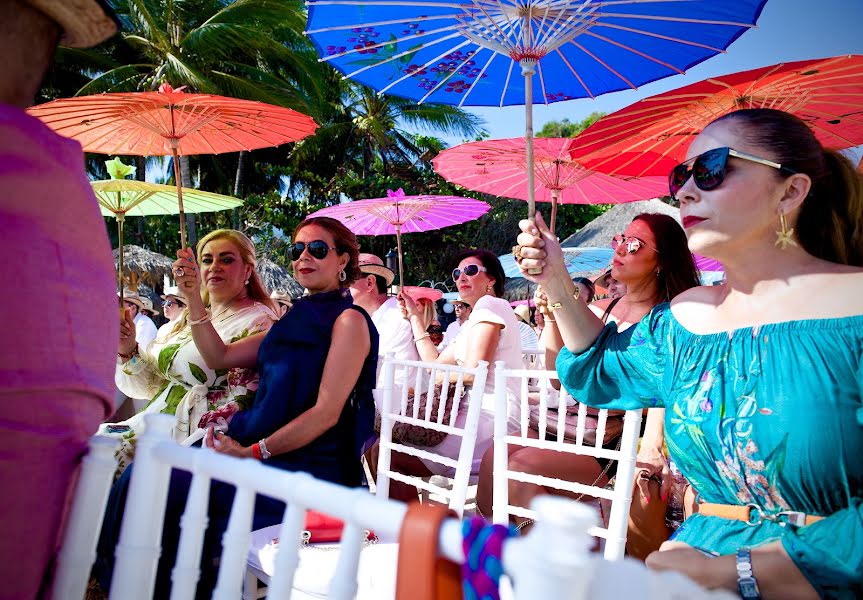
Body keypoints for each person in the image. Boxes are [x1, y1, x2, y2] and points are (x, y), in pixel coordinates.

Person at [516, 108, 863, 598]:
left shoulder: (853, 311)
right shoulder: (686, 319)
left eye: (713, 168)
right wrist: (553, 278)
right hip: (687, 573)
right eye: (682, 174)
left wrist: (741, 571)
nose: (684, 191)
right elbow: (601, 367)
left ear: (792, 190)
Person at [97, 216, 378, 597]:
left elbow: (327, 413)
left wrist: (253, 453)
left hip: (304, 464)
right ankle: (132, 587)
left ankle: (165, 589)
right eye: (297, 250)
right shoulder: (293, 317)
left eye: (317, 249)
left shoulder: (349, 322)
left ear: (343, 260)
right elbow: (218, 355)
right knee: (143, 474)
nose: (304, 257)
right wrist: (194, 295)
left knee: (158, 486)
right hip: (257, 444)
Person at [0, 2, 118, 597]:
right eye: (206, 258)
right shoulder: (54, 176)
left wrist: (254, 444)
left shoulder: (340, 320)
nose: (303, 256)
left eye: (318, 249)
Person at [476, 213, 700, 519]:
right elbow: (558, 379)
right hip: (562, 427)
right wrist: (554, 316)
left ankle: (532, 559)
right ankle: (494, 540)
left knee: (518, 469)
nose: (620, 249)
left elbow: (664, 386)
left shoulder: (669, 319)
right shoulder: (599, 309)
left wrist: (650, 445)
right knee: (494, 455)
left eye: (634, 245)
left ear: (662, 262)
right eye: (619, 239)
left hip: (605, 446)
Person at [107, 229, 278, 473]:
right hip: (153, 421)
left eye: (226, 260)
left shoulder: (260, 320)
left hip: (194, 439)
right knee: (89, 447)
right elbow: (152, 386)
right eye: (207, 260)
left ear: (248, 271)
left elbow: (243, 397)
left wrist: (193, 300)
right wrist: (127, 349)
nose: (215, 266)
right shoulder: (182, 320)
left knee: (104, 463)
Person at [379, 250, 522, 502]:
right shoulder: (473, 320)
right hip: (474, 412)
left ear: (492, 280)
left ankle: (407, 529)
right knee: (383, 448)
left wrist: (439, 380)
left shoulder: (491, 305)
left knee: (386, 452)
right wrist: (414, 317)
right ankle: (410, 527)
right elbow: (434, 363)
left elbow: (474, 370)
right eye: (457, 273)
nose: (461, 277)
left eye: (471, 270)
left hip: (490, 416)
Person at [349, 252, 418, 387]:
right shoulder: (368, 317)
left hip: (391, 402)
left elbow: (399, 381)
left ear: (370, 283)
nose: (340, 287)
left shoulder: (396, 319)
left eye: (347, 280)